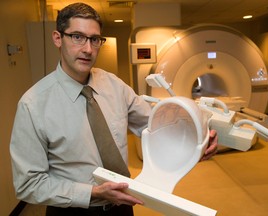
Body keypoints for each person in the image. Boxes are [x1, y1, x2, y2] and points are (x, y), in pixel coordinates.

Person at [10, 3, 218, 216]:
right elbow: (28, 184)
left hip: (122, 205)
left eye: (94, 39)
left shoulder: (113, 85)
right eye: (77, 37)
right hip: (74, 208)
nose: (88, 49)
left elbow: (156, 126)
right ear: (57, 38)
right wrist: (92, 192)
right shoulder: (33, 105)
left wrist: (199, 138)